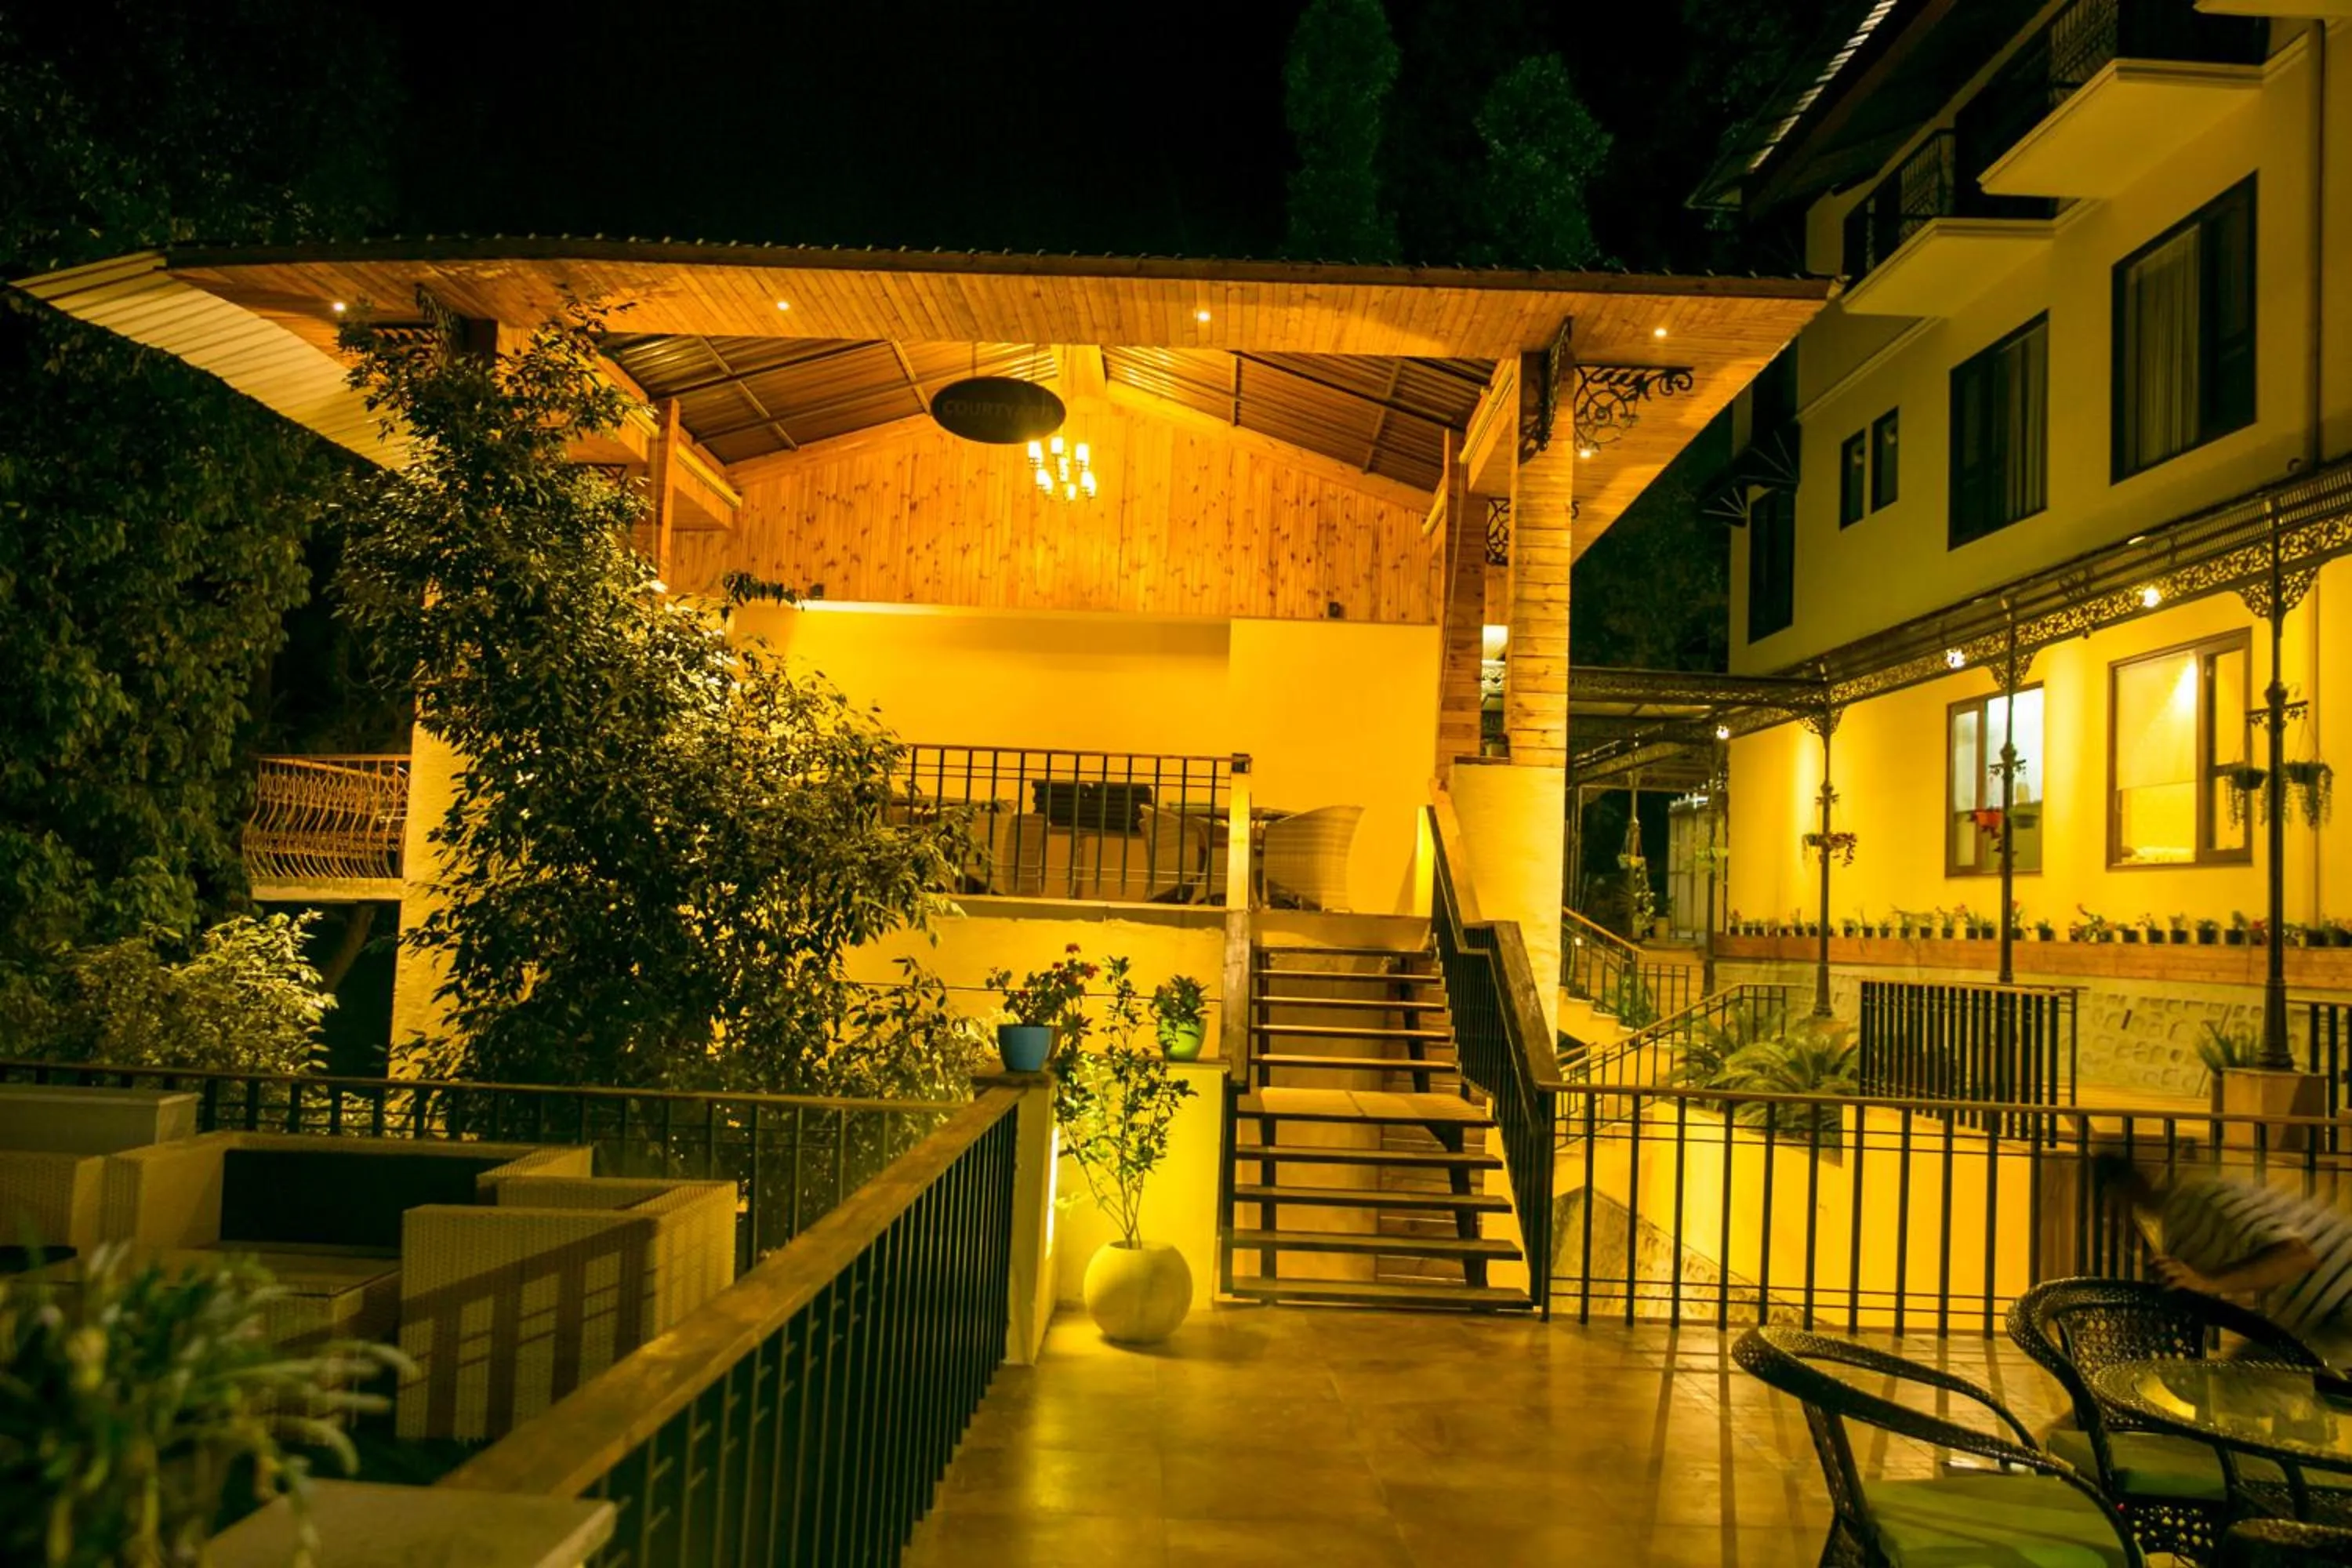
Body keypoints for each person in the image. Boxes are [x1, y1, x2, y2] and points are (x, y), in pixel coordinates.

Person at [2097, 1155, 2352, 1365]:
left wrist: (2207, 1282)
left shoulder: (2201, 1199)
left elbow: (2295, 1256)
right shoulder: (2180, 1224)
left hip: (2339, 1305)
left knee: (2241, 1385)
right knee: (2243, 1377)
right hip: (2317, 1314)